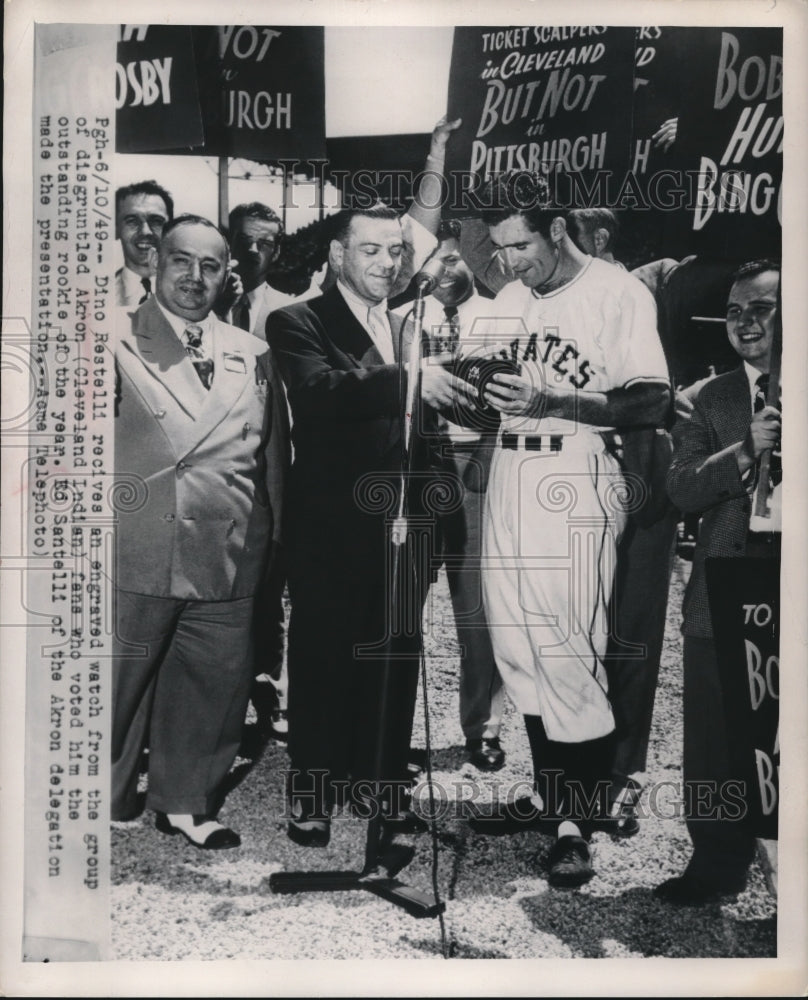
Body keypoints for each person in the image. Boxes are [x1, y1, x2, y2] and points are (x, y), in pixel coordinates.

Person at [265, 114, 472, 851]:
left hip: (406, 518)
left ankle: (383, 787)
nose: (387, 261)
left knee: (396, 649)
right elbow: (322, 392)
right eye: (371, 250)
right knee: (323, 650)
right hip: (330, 525)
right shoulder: (297, 321)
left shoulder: (411, 320)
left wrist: (436, 157)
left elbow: (427, 215)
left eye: (395, 251)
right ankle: (315, 788)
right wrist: (414, 379)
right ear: (336, 254)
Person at [467, 171, 670, 887]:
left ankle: (575, 822)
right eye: (498, 249)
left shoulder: (618, 291)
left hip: (579, 471)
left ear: (557, 229)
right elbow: (481, 401)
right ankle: (552, 799)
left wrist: (556, 396)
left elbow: (650, 397)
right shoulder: (507, 299)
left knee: (567, 645)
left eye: (519, 244)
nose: (509, 262)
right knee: (518, 646)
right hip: (510, 475)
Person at [112, 215, 288, 848]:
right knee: (117, 680)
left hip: (228, 547)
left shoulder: (252, 351)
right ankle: (102, 796)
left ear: (227, 274)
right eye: (182, 261)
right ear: (155, 262)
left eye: (210, 266)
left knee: (213, 683)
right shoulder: (112, 338)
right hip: (137, 545)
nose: (194, 277)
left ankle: (187, 801)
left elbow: (270, 459)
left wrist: (268, 547)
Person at [655, 260, 781, 904]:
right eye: (734, 311)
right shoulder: (711, 397)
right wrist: (745, 451)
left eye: (761, 307)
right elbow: (680, 486)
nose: (745, 322)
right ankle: (716, 861)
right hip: (726, 588)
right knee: (717, 730)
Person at [565, 207, 680, 838]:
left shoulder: (638, 291)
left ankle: (619, 775)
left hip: (638, 466)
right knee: (569, 625)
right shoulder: (539, 300)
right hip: (566, 481)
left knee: (630, 626)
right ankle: (566, 768)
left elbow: (655, 392)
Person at [398, 220, 506, 772]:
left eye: (452, 259)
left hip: (472, 466)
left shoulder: (502, 315)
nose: (442, 271)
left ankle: (481, 728)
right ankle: (390, 729)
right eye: (431, 262)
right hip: (413, 470)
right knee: (401, 605)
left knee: (476, 608)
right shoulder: (401, 319)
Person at [114, 180, 173, 306]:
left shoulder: (192, 292)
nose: (146, 232)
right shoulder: (98, 296)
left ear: (171, 229)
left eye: (156, 221)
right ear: (116, 229)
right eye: (132, 221)